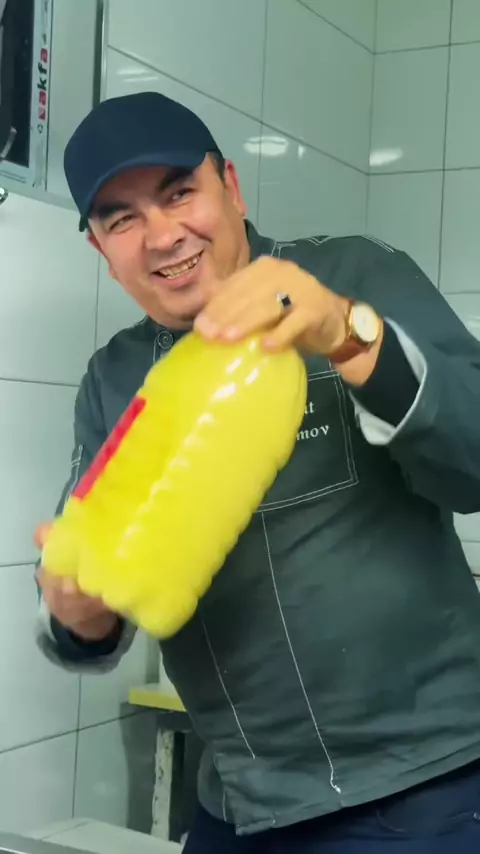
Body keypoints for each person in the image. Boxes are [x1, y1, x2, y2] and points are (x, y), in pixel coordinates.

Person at [35, 91, 480, 853]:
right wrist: (77, 613)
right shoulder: (115, 379)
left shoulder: (353, 275)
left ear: (232, 188)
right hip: (241, 804)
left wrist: (350, 336)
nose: (163, 235)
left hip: (421, 787)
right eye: (122, 219)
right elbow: (95, 593)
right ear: (102, 251)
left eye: (180, 192)